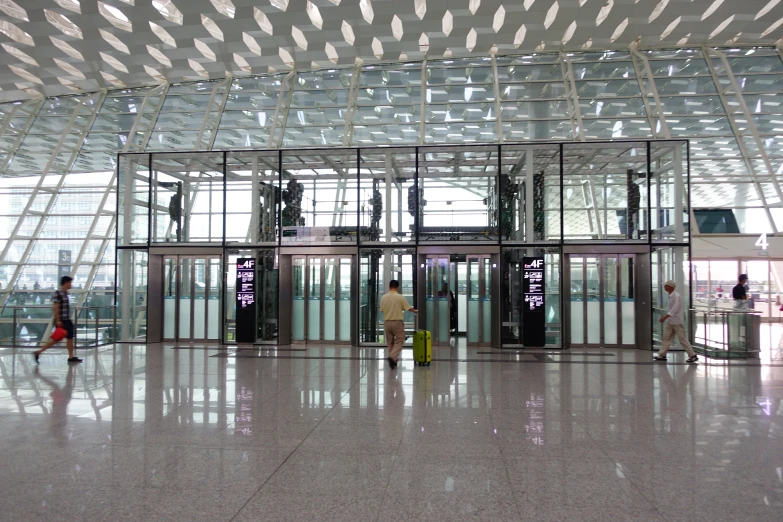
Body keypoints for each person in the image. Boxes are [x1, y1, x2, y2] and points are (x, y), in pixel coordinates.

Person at [33, 276, 82, 365]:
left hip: (67, 319)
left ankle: (71, 357)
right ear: (65, 283)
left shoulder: (65, 293)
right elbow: (55, 307)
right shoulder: (58, 293)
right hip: (62, 320)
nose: (71, 284)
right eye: (70, 283)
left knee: (70, 338)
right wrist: (58, 320)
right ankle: (39, 352)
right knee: (56, 340)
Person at [654, 280, 698, 363]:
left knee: (682, 339)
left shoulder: (677, 296)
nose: (664, 287)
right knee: (666, 338)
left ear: (671, 287)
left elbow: (675, 309)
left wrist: (665, 317)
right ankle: (662, 354)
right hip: (671, 322)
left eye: (666, 285)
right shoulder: (670, 296)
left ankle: (692, 355)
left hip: (677, 322)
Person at [380, 280, 417, 369]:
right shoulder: (400, 297)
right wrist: (416, 311)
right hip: (397, 322)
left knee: (390, 342)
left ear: (389, 287)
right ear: (397, 287)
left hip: (387, 322)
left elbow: (382, 310)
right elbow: (408, 308)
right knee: (400, 339)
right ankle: (392, 356)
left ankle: (393, 360)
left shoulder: (384, 297)